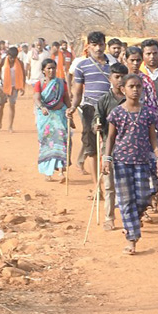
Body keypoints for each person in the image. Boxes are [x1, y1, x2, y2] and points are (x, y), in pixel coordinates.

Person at [102, 73, 158, 255]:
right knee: (126, 200)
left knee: (144, 198)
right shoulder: (117, 113)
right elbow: (111, 138)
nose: (135, 90)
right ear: (123, 89)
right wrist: (107, 158)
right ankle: (132, 239)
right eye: (131, 86)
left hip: (143, 162)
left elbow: (154, 138)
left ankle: (132, 222)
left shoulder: (148, 113)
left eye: (138, 86)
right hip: (122, 162)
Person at [69, 31, 113, 176]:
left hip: (109, 109)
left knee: (110, 144)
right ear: (88, 46)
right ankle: (96, 187)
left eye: (100, 45)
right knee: (91, 147)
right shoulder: (81, 66)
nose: (98, 48)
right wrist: (73, 107)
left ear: (105, 45)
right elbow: (77, 92)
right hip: (89, 108)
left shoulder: (113, 65)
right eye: (94, 45)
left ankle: (108, 184)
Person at [94, 63, 129, 229]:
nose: (120, 80)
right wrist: (97, 125)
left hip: (129, 148)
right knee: (109, 185)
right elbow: (97, 118)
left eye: (123, 77)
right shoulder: (104, 100)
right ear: (110, 78)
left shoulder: (131, 99)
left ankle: (130, 217)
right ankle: (109, 218)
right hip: (109, 147)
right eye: (117, 77)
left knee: (127, 185)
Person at [32, 59, 71, 180]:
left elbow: (66, 99)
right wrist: (42, 107)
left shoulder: (60, 83)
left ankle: (61, 172)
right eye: (48, 68)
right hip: (45, 117)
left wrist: (70, 113)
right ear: (43, 70)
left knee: (60, 141)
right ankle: (47, 173)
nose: (51, 70)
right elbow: (37, 98)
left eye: (53, 68)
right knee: (46, 143)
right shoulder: (40, 84)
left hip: (59, 115)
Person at [0, 45, 26, 133]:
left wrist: (22, 86)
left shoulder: (19, 62)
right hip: (2, 86)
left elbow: (23, 74)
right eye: (11, 57)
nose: (12, 59)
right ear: (8, 55)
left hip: (14, 87)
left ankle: (10, 126)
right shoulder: (2, 61)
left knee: (12, 105)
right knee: (0, 105)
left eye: (14, 57)